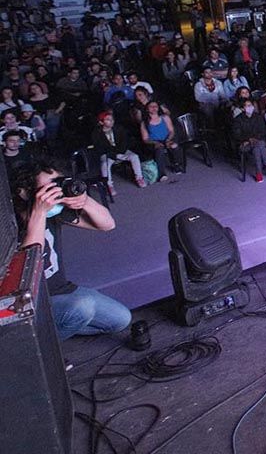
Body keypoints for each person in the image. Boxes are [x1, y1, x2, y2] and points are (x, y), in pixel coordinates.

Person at [13, 160, 129, 340]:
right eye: (48, 189)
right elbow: (30, 263)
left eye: (57, 184)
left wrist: (85, 201)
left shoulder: (54, 212)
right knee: (82, 308)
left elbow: (107, 225)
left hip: (62, 290)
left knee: (121, 320)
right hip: (32, 302)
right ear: (25, 192)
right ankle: (36, 348)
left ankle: (50, 330)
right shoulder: (10, 224)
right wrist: (39, 212)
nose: (56, 192)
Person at [91, 110, 146, 193]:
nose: (111, 121)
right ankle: (109, 185)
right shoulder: (97, 133)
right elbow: (100, 147)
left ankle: (139, 178)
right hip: (108, 153)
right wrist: (113, 154)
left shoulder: (119, 129)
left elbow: (125, 142)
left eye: (112, 119)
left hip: (120, 151)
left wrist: (119, 152)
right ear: (101, 122)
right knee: (105, 164)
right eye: (108, 119)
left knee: (134, 157)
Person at [139, 101, 183, 182]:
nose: (154, 108)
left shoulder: (165, 117)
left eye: (155, 106)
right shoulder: (144, 122)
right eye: (151, 106)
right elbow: (145, 139)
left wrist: (168, 140)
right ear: (147, 109)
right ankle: (161, 173)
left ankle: (177, 165)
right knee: (160, 150)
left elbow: (171, 131)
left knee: (174, 146)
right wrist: (155, 143)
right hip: (153, 142)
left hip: (167, 138)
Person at [231, 98, 266, 183]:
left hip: (257, 141)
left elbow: (263, 131)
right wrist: (248, 139)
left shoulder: (258, 117)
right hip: (243, 144)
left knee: (257, 148)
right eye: (247, 106)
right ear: (242, 109)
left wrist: (253, 139)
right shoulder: (238, 120)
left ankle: (258, 173)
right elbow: (237, 134)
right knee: (260, 145)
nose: (250, 107)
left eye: (251, 105)